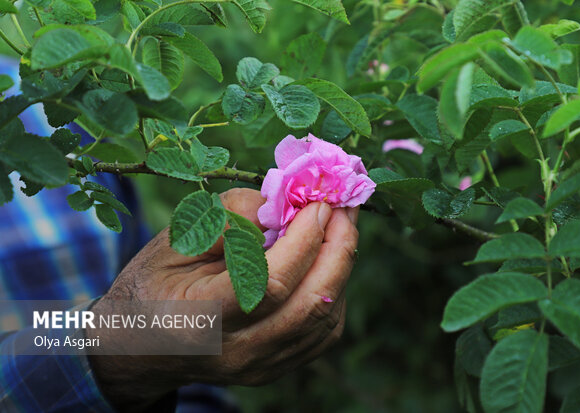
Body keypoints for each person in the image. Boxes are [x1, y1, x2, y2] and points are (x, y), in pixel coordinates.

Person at [0, 56, 359, 412]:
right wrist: (122, 348)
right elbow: (145, 324)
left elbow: (185, 376)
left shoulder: (49, 95)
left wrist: (164, 354)